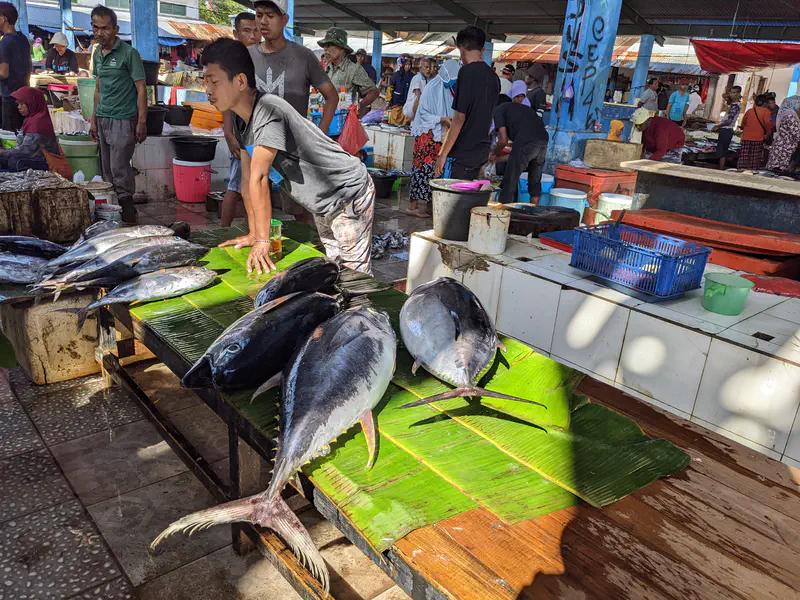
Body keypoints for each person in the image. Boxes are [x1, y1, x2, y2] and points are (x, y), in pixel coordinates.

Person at [202, 38, 375, 275]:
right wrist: (254, 234)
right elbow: (246, 181)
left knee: (355, 274)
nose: (207, 90)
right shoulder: (243, 120)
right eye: (205, 81)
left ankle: (366, 308)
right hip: (324, 200)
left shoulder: (268, 110)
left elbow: (260, 178)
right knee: (337, 264)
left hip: (347, 191)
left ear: (240, 81)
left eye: (213, 81)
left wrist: (264, 241)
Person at [248, 0, 338, 226]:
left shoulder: (303, 56)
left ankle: (311, 253)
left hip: (294, 149)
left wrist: (320, 134)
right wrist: (230, 133)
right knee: (253, 205)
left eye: (270, 15)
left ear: (284, 19)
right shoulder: (247, 56)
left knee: (301, 209)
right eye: (259, 15)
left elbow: (331, 96)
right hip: (254, 144)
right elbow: (234, 94)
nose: (263, 21)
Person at [89, 5, 147, 224]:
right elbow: (98, 88)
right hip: (103, 116)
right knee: (106, 170)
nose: (100, 32)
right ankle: (113, 214)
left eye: (105, 28)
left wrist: (142, 122)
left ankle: (129, 212)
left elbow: (141, 88)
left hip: (124, 118)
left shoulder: (129, 54)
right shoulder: (97, 54)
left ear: (116, 29)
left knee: (119, 167)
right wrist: (93, 120)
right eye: (96, 27)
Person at [434, 26, 499, 180]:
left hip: (463, 152)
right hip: (482, 150)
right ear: (482, 49)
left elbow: (458, 119)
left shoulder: (466, 72)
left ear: (461, 48)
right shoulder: (494, 77)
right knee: (471, 197)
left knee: (453, 198)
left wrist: (443, 154)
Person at [221, 12, 261, 227]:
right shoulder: (234, 62)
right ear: (236, 34)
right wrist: (229, 132)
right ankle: (222, 232)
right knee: (236, 187)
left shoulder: (260, 59)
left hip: (260, 131)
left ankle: (252, 228)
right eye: (247, 31)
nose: (253, 35)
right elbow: (227, 99)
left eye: (256, 30)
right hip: (240, 132)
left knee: (254, 186)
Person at [408, 60, 459, 216]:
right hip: (426, 135)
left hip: (439, 136)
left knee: (436, 171)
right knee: (421, 169)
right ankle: (413, 207)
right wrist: (442, 119)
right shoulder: (432, 87)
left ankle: (431, 206)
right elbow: (422, 113)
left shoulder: (449, 89)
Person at [491, 88, 549, 204]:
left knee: (509, 181)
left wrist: (494, 153)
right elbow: (519, 155)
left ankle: (504, 216)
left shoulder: (499, 110)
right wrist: (498, 159)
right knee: (535, 181)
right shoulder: (521, 110)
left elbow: (503, 140)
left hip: (527, 140)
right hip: (543, 139)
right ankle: (533, 212)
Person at [319, 28, 379, 118]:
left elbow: (374, 91)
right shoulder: (326, 68)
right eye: (324, 46)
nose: (325, 49)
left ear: (342, 48)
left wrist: (360, 107)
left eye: (329, 45)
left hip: (343, 121)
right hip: (323, 117)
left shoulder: (354, 70)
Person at [0, 87, 61, 171]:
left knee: (14, 162)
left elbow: (26, 150)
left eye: (22, 104)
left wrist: (4, 152)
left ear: (31, 103)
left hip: (45, 162)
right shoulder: (30, 119)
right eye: (18, 104)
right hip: (32, 158)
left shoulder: (38, 122)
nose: (19, 107)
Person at [0, 3, 31, 132]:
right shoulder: (23, 38)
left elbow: (3, 73)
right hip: (23, 97)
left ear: (3, 18)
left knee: (9, 139)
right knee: (19, 136)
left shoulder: (5, 41)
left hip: (9, 97)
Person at [738, 94, 773, 170]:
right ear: (765, 103)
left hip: (746, 137)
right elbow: (767, 123)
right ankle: (752, 172)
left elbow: (743, 123)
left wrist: (743, 128)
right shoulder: (766, 112)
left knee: (744, 156)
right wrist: (768, 133)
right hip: (758, 138)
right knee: (754, 158)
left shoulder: (750, 111)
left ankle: (740, 170)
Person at [766, 96, 800, 173]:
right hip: (784, 147)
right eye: (798, 102)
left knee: (775, 168)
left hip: (782, 145)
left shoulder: (787, 113)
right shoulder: (790, 115)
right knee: (778, 169)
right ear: (792, 103)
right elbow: (796, 133)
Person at [713, 85, 741, 170]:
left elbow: (729, 121)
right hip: (726, 129)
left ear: (738, 94)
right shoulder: (733, 104)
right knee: (722, 150)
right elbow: (724, 96)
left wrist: (718, 126)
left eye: (734, 93)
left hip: (727, 130)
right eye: (731, 92)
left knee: (722, 152)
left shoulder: (735, 106)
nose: (732, 94)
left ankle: (721, 169)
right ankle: (720, 168)